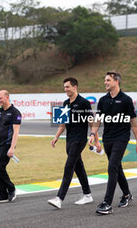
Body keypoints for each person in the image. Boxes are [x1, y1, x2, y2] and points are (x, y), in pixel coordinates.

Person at [88, 71, 137, 215]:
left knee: (112, 167)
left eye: (108, 80)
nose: (105, 82)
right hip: (108, 138)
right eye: (105, 80)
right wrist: (93, 134)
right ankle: (127, 195)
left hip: (122, 137)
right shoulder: (103, 100)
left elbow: (133, 121)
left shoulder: (126, 100)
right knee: (117, 168)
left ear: (116, 81)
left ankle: (107, 203)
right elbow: (98, 120)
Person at [48, 77, 101, 209]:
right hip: (69, 139)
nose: (65, 89)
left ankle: (59, 198)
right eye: (64, 87)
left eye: (67, 87)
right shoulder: (65, 103)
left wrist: (96, 140)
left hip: (79, 139)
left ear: (75, 87)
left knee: (69, 166)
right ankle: (87, 194)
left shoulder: (83, 103)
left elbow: (91, 122)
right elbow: (63, 123)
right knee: (79, 167)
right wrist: (56, 136)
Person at [0, 90, 22, 204]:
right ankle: (2, 194)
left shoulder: (15, 112)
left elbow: (16, 132)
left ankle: (11, 188)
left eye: (0, 98)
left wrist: (12, 148)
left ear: (7, 97)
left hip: (6, 145)